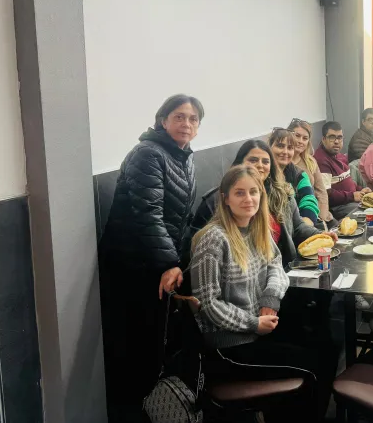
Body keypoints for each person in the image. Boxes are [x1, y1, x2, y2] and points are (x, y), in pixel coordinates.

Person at [190, 165, 336, 422]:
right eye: (239, 193)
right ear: (225, 198)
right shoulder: (212, 239)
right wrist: (253, 323)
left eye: (254, 192)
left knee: (327, 347)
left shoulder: (258, 229)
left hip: (259, 332)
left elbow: (276, 266)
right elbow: (208, 304)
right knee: (314, 367)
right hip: (229, 347)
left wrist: (270, 298)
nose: (248, 199)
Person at [98, 94, 204, 422]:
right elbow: (148, 213)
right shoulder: (148, 154)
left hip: (155, 264)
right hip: (131, 267)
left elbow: (180, 219)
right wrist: (169, 264)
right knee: (133, 348)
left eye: (193, 119)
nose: (186, 124)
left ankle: (153, 407)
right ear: (162, 120)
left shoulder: (183, 156)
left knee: (153, 345)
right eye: (179, 116)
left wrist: (181, 261)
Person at [191, 139, 332, 267]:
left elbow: (298, 227)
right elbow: (198, 245)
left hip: (281, 268)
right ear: (240, 164)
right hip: (238, 273)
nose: (260, 165)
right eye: (253, 160)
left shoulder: (283, 194)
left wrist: (321, 235)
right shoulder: (215, 200)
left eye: (265, 161)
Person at [315, 121, 371, 220]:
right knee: (368, 212)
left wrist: (360, 190)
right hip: (336, 207)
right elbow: (326, 194)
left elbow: (348, 182)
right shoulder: (321, 160)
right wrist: (352, 196)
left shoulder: (341, 156)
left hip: (349, 201)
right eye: (332, 137)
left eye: (339, 137)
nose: (336, 141)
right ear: (323, 139)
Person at [288, 118, 335, 228]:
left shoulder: (310, 161)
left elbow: (321, 192)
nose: (300, 141)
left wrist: (322, 218)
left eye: (305, 138)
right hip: (299, 219)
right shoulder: (284, 163)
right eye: (297, 136)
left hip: (319, 215)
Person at [269, 128, 321, 226]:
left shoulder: (299, 175)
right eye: (280, 146)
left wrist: (305, 225)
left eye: (290, 148)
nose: (285, 152)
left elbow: (308, 200)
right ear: (269, 148)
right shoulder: (264, 174)